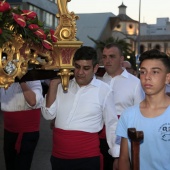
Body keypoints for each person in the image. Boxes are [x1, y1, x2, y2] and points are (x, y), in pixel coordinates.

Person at [41, 46, 119, 170]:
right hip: (58, 157)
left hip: (87, 159)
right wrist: (53, 85)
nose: (80, 72)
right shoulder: (61, 86)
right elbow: (48, 115)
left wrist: (117, 156)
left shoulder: (104, 90)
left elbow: (112, 125)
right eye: (77, 67)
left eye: (86, 68)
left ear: (95, 68)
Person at [116, 49, 170, 170]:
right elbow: (124, 159)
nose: (147, 77)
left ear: (167, 78)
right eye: (143, 72)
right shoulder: (128, 115)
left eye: (155, 72)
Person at [98, 43, 145, 170]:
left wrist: (120, 155)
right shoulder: (97, 82)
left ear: (121, 59)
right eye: (104, 56)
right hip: (97, 140)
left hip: (122, 141)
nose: (107, 60)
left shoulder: (135, 83)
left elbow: (139, 117)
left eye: (112, 56)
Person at [0, 80, 43, 170]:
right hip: (9, 130)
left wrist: (21, 80)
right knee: (10, 166)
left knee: (22, 166)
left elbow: (32, 101)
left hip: (28, 131)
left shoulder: (33, 79)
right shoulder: (5, 76)